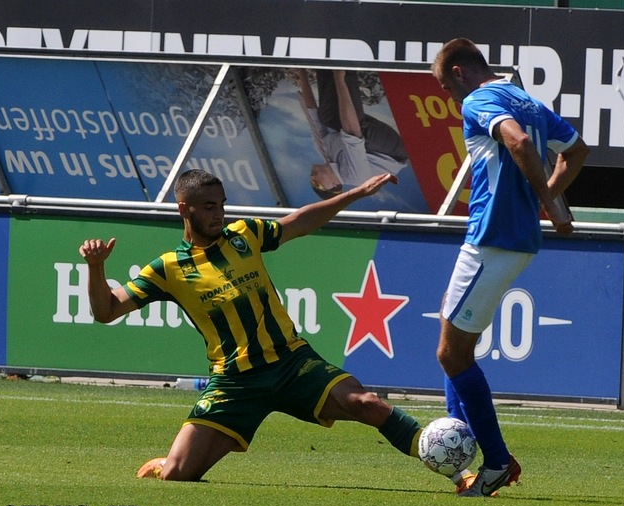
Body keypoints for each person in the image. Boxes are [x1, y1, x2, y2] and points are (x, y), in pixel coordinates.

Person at [79, 168, 422, 482]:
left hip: (291, 362)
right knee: (176, 476)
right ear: (185, 210)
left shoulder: (245, 235)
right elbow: (106, 311)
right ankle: (172, 461)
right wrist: (96, 269)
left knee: (367, 403)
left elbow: (301, 221)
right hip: (235, 381)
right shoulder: (167, 269)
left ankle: (450, 464)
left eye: (222, 205)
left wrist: (358, 193)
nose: (220, 214)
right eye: (209, 207)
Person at [431, 38, 590, 497]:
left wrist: (550, 202)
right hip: (511, 238)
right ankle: (461, 453)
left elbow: (516, 142)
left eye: (445, 86)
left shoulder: (480, 98)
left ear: (460, 72)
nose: (449, 97)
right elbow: (577, 150)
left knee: (450, 353)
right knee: (453, 325)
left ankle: (496, 461)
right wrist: (549, 198)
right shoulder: (528, 100)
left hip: (493, 236)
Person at [297, 69, 409, 198]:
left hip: (364, 141)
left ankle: (325, 67)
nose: (313, 178)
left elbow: (312, 113)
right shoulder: (355, 176)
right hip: (392, 152)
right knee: (338, 122)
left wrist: (302, 72)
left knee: (326, 117)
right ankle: (346, 70)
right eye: (318, 184)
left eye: (311, 182)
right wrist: (340, 78)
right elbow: (353, 132)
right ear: (334, 184)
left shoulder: (324, 151)